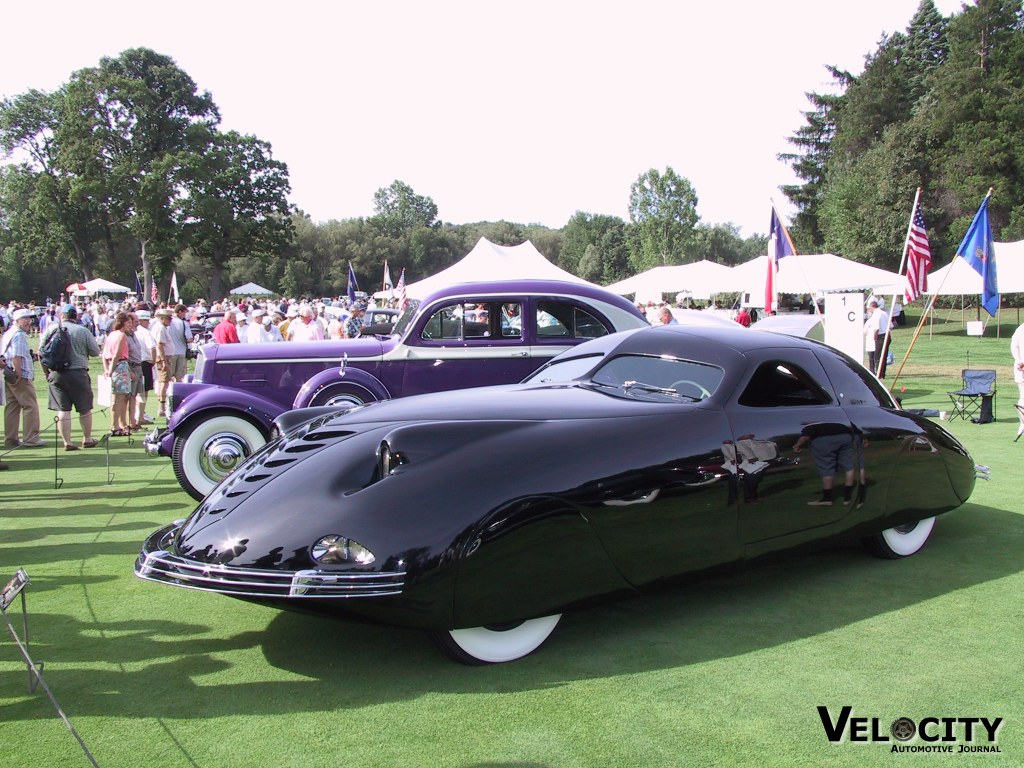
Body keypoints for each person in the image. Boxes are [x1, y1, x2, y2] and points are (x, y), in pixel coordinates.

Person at [40, 304, 100, 450]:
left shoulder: (51, 329)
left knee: (63, 409)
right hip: (78, 373)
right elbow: (95, 352)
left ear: (62, 315)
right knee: (84, 408)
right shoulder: (83, 331)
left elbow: (41, 352)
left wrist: (46, 373)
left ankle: (67, 442)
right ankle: (87, 438)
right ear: (76, 316)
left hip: (57, 373)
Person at [3, 308, 45, 448]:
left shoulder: (9, 332)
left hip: (7, 373)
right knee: (30, 406)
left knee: (12, 406)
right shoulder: (19, 334)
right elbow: (17, 356)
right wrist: (19, 375)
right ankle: (31, 438)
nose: (29, 321)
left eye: (29, 318)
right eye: (25, 318)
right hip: (19, 375)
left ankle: (11, 438)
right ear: (17, 320)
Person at [102, 311, 135, 436]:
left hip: (115, 365)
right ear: (122, 323)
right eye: (128, 323)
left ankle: (118, 425)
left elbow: (104, 355)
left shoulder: (111, 335)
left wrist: (107, 369)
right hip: (119, 366)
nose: (130, 325)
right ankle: (115, 426)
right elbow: (116, 355)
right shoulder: (121, 336)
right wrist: (110, 371)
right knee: (119, 399)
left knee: (118, 398)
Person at [134, 310, 157, 425]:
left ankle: (138, 414)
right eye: (147, 321)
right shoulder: (145, 332)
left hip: (135, 363)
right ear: (142, 321)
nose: (148, 323)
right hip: (145, 362)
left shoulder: (133, 332)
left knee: (137, 391)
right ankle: (140, 416)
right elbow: (152, 347)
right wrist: (153, 360)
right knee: (144, 391)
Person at [863, 300, 891, 378]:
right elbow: (891, 325)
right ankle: (882, 373)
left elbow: (876, 328)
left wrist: (875, 338)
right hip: (887, 334)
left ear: (872, 307)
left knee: (877, 356)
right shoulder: (884, 313)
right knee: (884, 355)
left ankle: (878, 373)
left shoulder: (876, 314)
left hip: (881, 336)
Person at [1012, 321, 1024, 438]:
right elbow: (1014, 346)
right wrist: (1019, 360)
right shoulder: (1021, 329)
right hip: (1022, 370)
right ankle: (1022, 424)